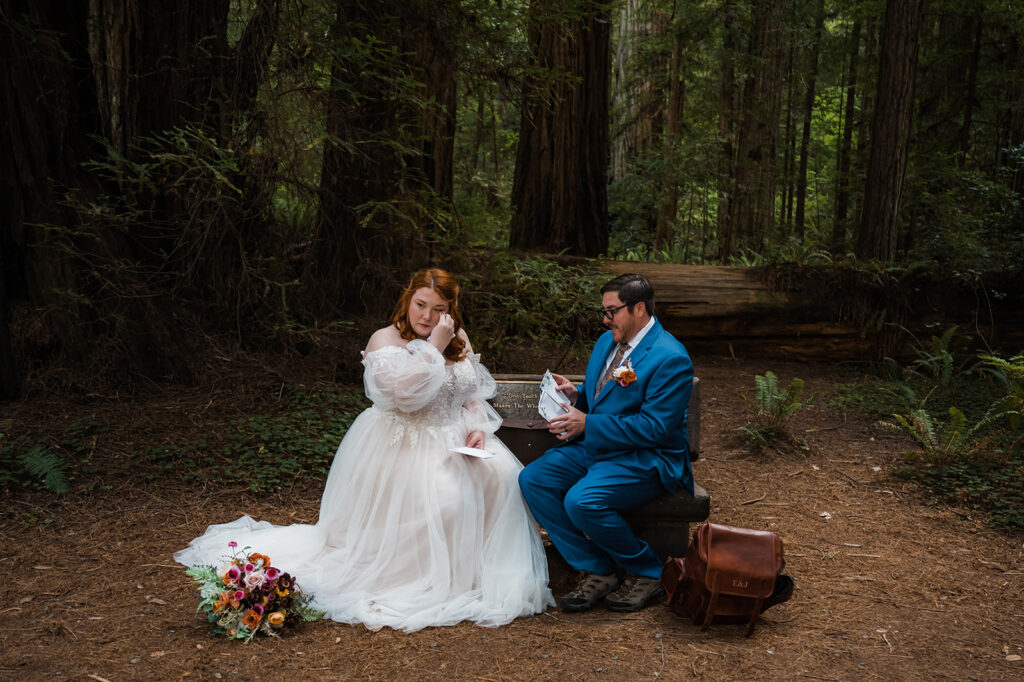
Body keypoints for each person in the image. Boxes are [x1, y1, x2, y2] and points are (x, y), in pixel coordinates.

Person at [175, 268, 554, 632]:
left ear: (452, 310)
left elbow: (469, 394)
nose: (428, 315)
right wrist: (433, 347)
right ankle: (422, 576)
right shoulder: (385, 340)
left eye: (439, 309)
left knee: (501, 482)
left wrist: (476, 428)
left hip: (455, 441)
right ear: (408, 298)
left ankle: (474, 575)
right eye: (421, 304)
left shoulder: (459, 337)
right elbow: (405, 398)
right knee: (448, 501)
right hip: (404, 446)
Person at [518, 272, 694, 613]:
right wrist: (578, 395)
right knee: (533, 480)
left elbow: (656, 428)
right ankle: (597, 569)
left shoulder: (670, 357)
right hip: (599, 446)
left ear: (639, 308)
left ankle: (649, 571)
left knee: (581, 501)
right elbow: (610, 396)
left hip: (646, 457)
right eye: (604, 310)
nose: (605, 318)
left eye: (612, 311)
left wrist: (588, 423)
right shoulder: (607, 342)